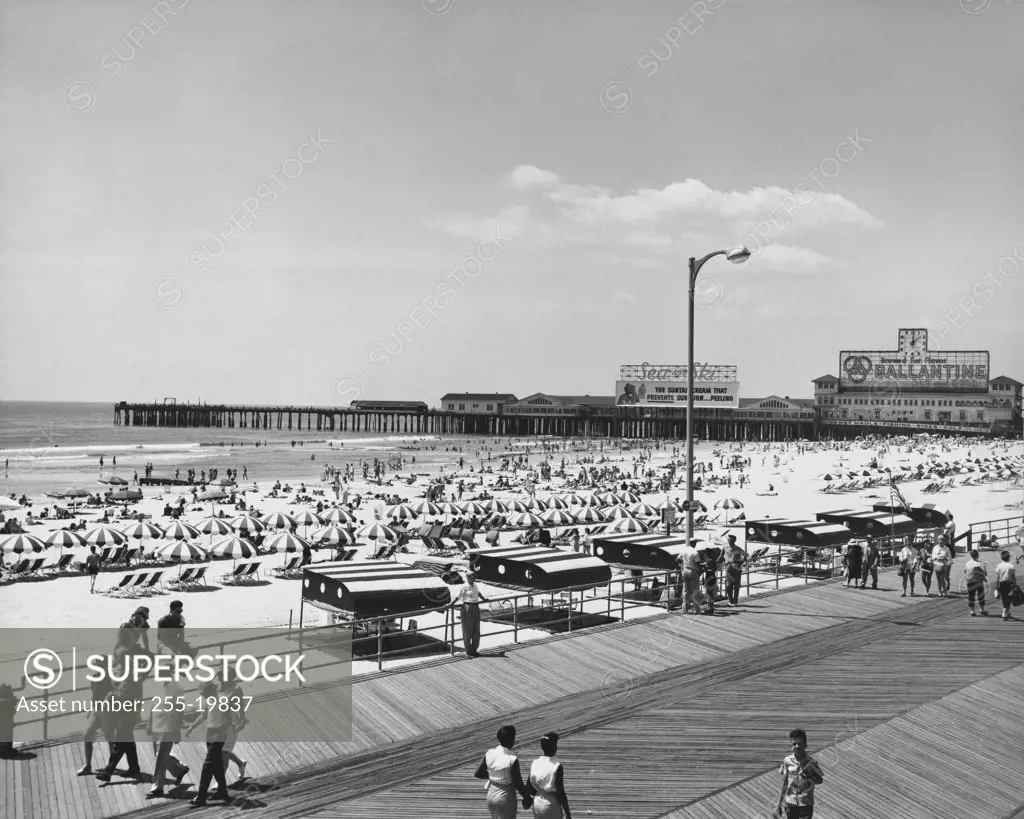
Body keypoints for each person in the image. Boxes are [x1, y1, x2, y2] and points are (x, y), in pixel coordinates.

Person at [186, 681, 232, 806]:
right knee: (216, 764)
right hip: (210, 733)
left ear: (211, 690)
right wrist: (192, 726)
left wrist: (221, 730)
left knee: (207, 765)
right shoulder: (208, 700)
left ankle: (201, 797)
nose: (203, 696)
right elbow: (204, 714)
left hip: (218, 735)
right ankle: (222, 792)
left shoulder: (222, 700)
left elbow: (228, 718)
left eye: (204, 693)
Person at [146, 678, 191, 799]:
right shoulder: (157, 686)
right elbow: (153, 706)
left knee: (161, 757)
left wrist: (177, 731)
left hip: (168, 727)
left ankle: (157, 787)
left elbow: (179, 711)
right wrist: (149, 724)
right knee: (158, 754)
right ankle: (180, 770)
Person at [474, 725, 533, 818]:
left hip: (491, 795)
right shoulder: (512, 759)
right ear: (512, 740)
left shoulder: (490, 753)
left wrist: (494, 775)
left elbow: (478, 773)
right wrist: (527, 798)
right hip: (505, 798)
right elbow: (518, 784)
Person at [776, 728, 824, 818]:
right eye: (794, 744)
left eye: (800, 744)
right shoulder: (787, 761)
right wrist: (779, 803)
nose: (797, 746)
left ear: (805, 745)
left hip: (806, 803)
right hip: (790, 802)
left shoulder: (812, 762)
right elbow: (785, 783)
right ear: (791, 746)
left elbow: (819, 780)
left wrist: (810, 776)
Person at [76, 667, 115, 775]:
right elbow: (94, 694)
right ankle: (87, 766)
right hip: (96, 711)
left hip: (108, 712)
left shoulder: (113, 679)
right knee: (87, 735)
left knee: (110, 737)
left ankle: (111, 766)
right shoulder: (94, 678)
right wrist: (90, 708)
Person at [528, 732, 572, 819]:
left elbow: (529, 789)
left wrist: (540, 792)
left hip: (537, 803)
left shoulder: (535, 763)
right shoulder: (556, 766)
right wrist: (568, 813)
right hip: (550, 804)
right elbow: (560, 792)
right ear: (554, 748)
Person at [451, 571, 490, 657]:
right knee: (467, 630)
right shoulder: (464, 586)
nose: (474, 577)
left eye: (473, 576)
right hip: (467, 607)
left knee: (476, 630)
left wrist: (484, 599)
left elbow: (478, 593)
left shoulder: (474, 584)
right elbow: (458, 597)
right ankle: (469, 651)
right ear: (468, 577)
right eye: (472, 576)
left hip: (476, 607)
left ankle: (474, 649)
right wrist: (451, 604)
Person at [220, 670, 249, 782]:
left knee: (224, 751)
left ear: (231, 677)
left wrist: (242, 720)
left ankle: (220, 781)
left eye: (224, 675)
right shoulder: (221, 687)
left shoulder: (236, 689)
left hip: (232, 721)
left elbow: (240, 706)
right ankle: (240, 763)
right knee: (222, 749)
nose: (222, 678)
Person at [676, 540, 702, 614]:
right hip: (693, 572)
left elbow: (677, 560)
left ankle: (685, 609)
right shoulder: (695, 552)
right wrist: (700, 571)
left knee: (686, 591)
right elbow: (698, 564)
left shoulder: (683, 550)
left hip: (685, 571)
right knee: (695, 591)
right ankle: (696, 610)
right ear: (694, 544)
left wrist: (681, 566)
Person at [963, 549, 989, 617]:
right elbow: (985, 573)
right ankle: (981, 610)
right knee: (981, 595)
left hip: (970, 581)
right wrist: (985, 566)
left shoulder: (967, 563)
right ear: (977, 555)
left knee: (971, 596)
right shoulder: (979, 563)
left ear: (971, 555)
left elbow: (965, 572)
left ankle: (972, 610)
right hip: (978, 582)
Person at [995, 550, 1018, 621]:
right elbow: (1013, 577)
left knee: (1004, 598)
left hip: (1001, 583)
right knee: (1008, 599)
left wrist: (996, 586)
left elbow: (998, 577)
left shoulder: (999, 566)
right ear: (1009, 558)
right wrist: (1015, 585)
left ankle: (1007, 612)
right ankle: (1004, 614)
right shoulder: (1011, 566)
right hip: (1009, 584)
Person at [724, 536, 746, 606]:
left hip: (737, 570)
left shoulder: (738, 549)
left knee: (736, 586)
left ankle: (735, 602)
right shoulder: (725, 548)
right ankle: (730, 601)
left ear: (734, 541)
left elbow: (745, 556)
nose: (729, 541)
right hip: (728, 569)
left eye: (730, 540)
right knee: (728, 586)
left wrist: (739, 562)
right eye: (728, 540)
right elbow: (721, 556)